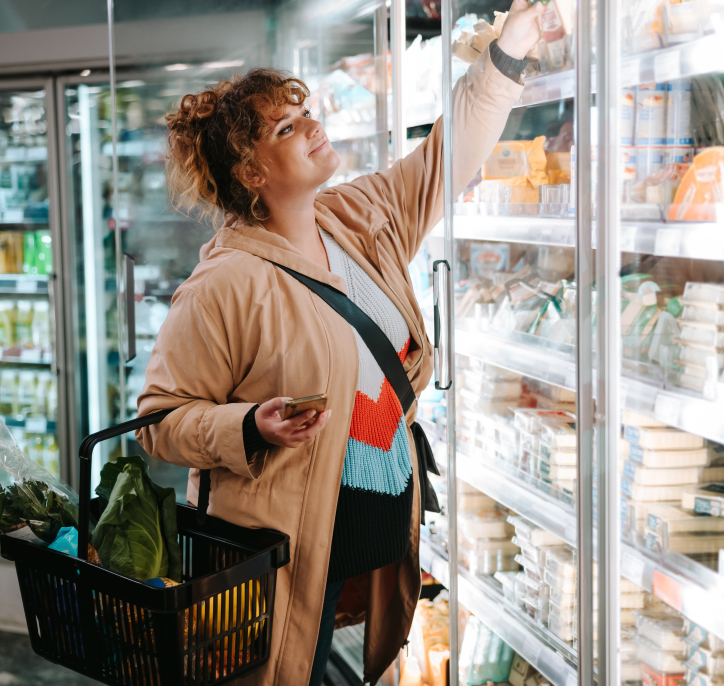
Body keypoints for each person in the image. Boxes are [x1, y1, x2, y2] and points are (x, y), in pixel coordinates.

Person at [135, 2, 545, 683]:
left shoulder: (356, 218)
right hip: (280, 553)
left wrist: (510, 54)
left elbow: (448, 157)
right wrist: (249, 424)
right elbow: (159, 422)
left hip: (368, 532)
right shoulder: (224, 285)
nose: (312, 127)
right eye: (287, 128)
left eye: (303, 113)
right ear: (253, 175)